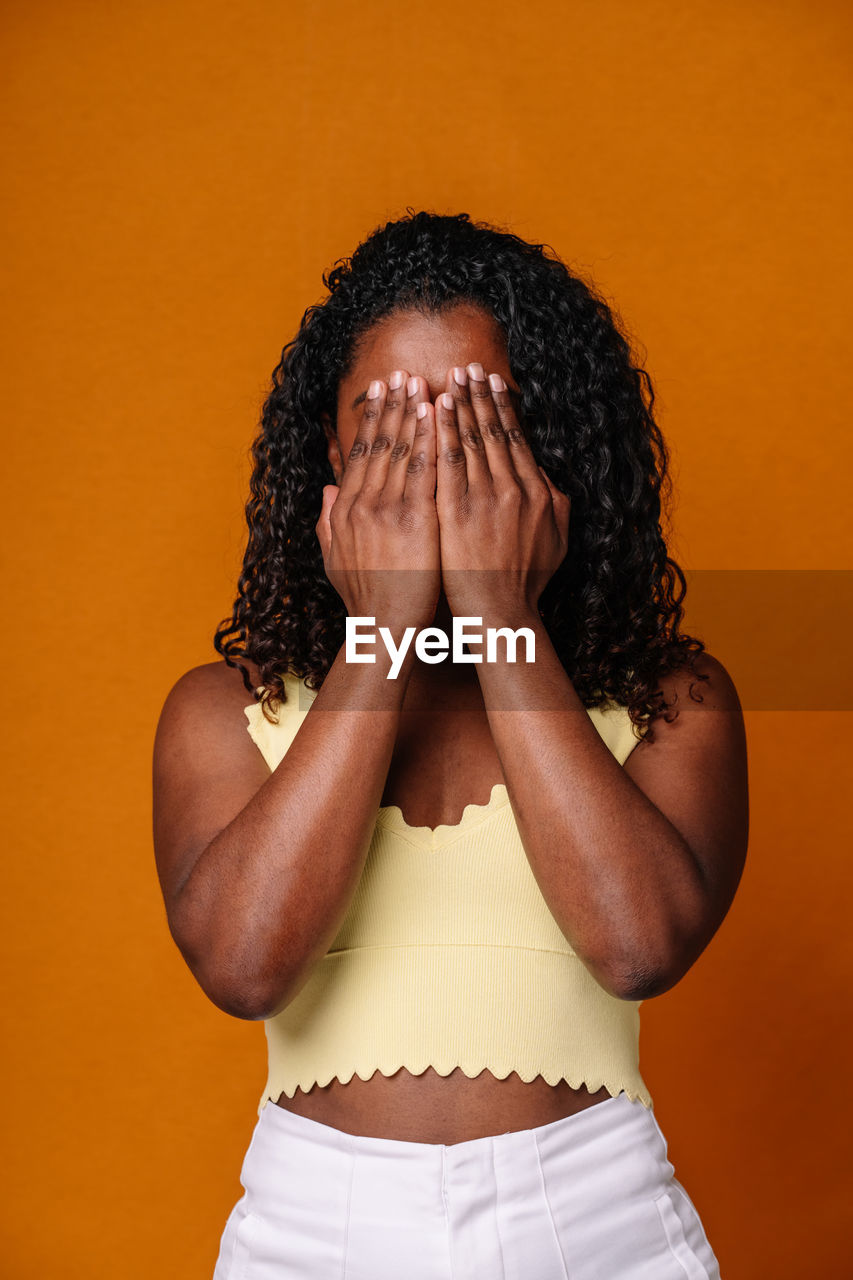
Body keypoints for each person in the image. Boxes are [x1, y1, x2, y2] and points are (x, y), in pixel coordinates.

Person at [152, 209, 748, 1278]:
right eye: (386, 421)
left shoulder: (672, 698)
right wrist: (380, 631)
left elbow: (637, 945)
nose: (434, 463)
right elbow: (245, 967)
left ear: (548, 449)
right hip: (313, 1229)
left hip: (599, 1220)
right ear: (329, 452)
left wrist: (497, 609)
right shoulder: (222, 711)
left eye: (479, 422)